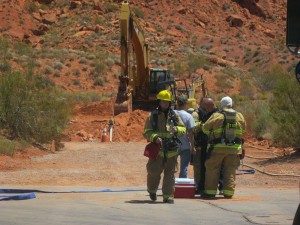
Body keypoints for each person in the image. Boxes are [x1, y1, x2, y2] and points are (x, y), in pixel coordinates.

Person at [143, 90, 186, 204]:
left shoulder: (174, 115)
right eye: (163, 102)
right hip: (158, 150)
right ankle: (152, 190)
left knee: (170, 174)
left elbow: (183, 129)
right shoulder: (153, 115)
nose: (166, 104)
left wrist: (177, 129)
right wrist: (155, 137)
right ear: (159, 102)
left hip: (171, 150)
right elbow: (147, 131)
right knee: (154, 172)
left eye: (167, 102)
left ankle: (168, 196)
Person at [201, 96, 246, 199]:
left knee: (212, 169)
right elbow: (243, 131)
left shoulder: (217, 115)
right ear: (231, 104)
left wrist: (212, 133)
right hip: (234, 149)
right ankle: (229, 192)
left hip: (217, 148)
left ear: (222, 105)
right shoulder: (240, 116)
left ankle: (210, 192)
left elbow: (205, 128)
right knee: (230, 170)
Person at [192, 97, 218, 194]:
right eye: (205, 105)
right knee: (198, 167)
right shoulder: (196, 114)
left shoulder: (213, 113)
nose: (206, 107)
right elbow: (193, 128)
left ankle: (205, 186)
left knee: (209, 167)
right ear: (201, 104)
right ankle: (199, 185)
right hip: (199, 145)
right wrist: (203, 125)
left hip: (209, 145)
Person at [174, 95, 196, 178]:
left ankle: (170, 185)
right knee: (184, 168)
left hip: (173, 145)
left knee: (171, 167)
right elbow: (190, 132)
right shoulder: (188, 116)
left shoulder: (171, 114)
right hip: (185, 145)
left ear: (177, 103)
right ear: (186, 104)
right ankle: (182, 186)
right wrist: (193, 146)